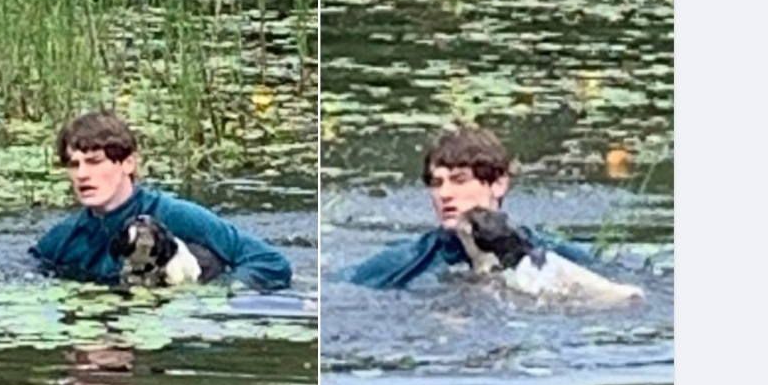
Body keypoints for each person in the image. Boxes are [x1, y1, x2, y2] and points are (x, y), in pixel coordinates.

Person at [30, 110, 292, 291]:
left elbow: (271, 263)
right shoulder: (62, 240)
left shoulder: (179, 216)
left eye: (95, 162)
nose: (83, 174)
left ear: (128, 163)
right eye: (74, 165)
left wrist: (215, 296)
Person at [341, 124, 594, 289]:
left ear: (498, 184)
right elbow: (337, 287)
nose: (445, 194)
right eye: (436, 183)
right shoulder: (407, 261)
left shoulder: (552, 253)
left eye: (459, 180)